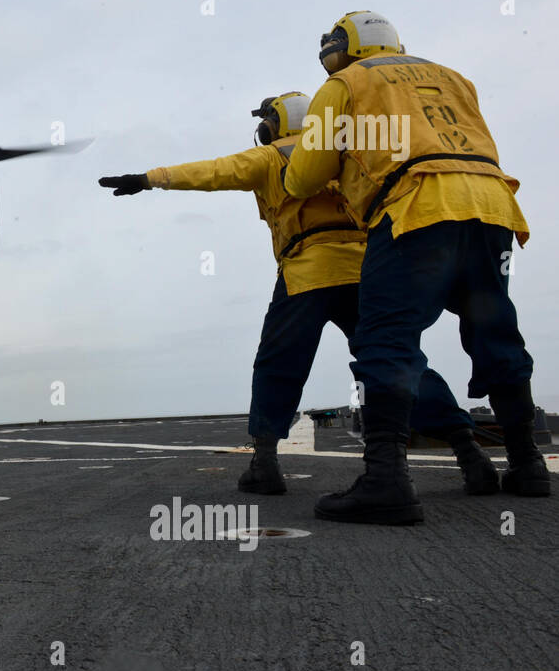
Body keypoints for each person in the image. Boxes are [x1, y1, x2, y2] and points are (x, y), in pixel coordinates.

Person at [98, 92, 494, 500]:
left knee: (278, 365)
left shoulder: (271, 156)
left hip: (307, 270)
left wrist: (148, 179)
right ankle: (470, 454)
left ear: (275, 123)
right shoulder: (346, 153)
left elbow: (213, 172)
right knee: (398, 361)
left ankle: (265, 463)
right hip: (367, 272)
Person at [284, 10, 547, 524]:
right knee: (495, 330)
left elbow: (305, 175)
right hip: (491, 207)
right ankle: (527, 463)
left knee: (386, 338)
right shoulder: (453, 77)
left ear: (343, 47)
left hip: (415, 208)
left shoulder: (347, 82)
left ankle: (386, 479)